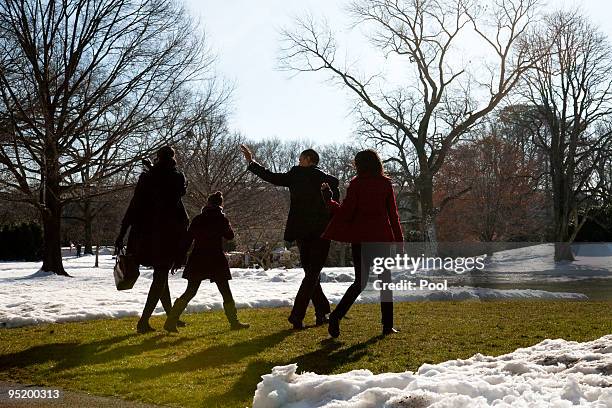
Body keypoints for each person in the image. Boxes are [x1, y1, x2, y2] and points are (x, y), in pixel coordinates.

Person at [239, 144, 339, 329]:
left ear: (310, 160)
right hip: (321, 232)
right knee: (312, 274)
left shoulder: (295, 176)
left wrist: (251, 162)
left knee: (311, 273)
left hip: (301, 232)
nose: (298, 161)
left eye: (301, 159)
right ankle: (299, 314)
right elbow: (334, 208)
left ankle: (322, 311)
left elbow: (271, 177)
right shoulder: (328, 181)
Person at [321, 149, 403, 338]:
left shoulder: (356, 185)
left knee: (360, 282)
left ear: (360, 165)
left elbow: (345, 213)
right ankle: (387, 326)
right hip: (381, 239)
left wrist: (330, 201)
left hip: (361, 240)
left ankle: (336, 316)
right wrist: (399, 242)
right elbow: (394, 215)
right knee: (385, 282)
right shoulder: (385, 184)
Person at [115, 146, 189, 334]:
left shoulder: (148, 177)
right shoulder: (176, 177)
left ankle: (170, 317)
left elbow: (133, 207)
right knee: (160, 277)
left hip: (143, 236)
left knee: (161, 277)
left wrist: (121, 234)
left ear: (158, 158)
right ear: (173, 158)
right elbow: (179, 192)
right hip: (164, 236)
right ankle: (144, 322)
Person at [164, 191, 249, 332]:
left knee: (190, 291)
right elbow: (230, 236)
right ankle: (234, 322)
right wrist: (226, 222)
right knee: (225, 292)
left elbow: (187, 240)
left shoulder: (198, 219)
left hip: (198, 258)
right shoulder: (222, 219)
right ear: (220, 205)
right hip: (216, 259)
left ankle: (171, 321)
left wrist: (179, 258)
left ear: (208, 203)